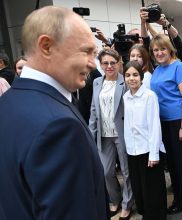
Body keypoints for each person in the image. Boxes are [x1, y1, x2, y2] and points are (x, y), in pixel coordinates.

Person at [0, 6, 109, 220]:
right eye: (86, 51)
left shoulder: (7, 102)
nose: (91, 63)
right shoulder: (59, 127)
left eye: (94, 53)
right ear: (46, 46)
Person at [149, 34, 182, 214]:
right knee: (173, 166)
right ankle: (178, 199)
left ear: (170, 49)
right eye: (155, 50)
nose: (159, 53)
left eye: (162, 49)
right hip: (163, 123)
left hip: (178, 122)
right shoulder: (157, 70)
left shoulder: (178, 67)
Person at [89, 49, 133, 220]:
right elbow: (94, 110)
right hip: (103, 134)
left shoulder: (126, 81)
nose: (109, 66)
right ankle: (115, 199)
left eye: (112, 62)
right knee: (106, 171)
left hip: (122, 133)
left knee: (127, 171)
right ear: (100, 65)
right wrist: (90, 134)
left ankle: (127, 205)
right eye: (105, 63)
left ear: (119, 62)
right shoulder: (97, 82)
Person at [123, 61, 167, 220]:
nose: (131, 78)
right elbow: (127, 126)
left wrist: (154, 154)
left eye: (135, 75)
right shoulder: (126, 97)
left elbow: (155, 126)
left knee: (152, 191)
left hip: (148, 150)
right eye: (128, 75)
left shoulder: (149, 96)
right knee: (139, 189)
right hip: (132, 151)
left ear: (141, 77)